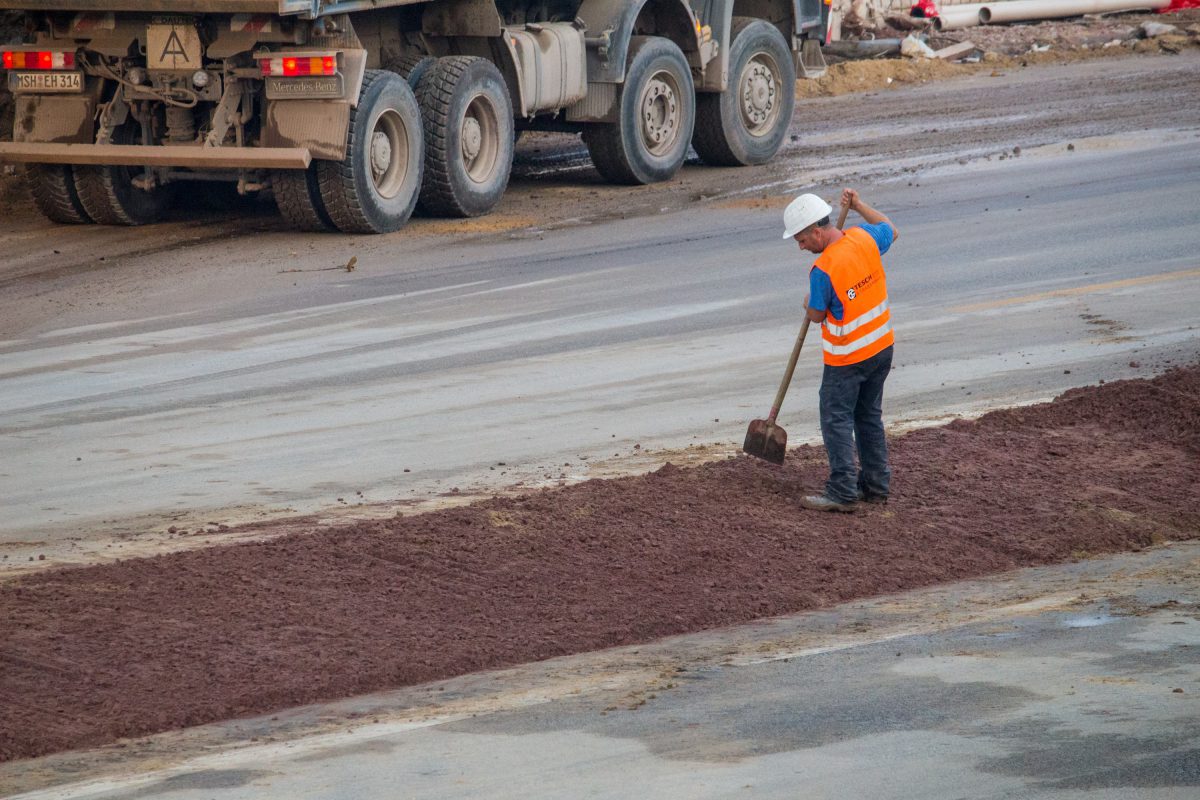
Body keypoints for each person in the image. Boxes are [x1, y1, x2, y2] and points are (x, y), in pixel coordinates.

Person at [782, 188, 898, 512]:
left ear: (816, 232)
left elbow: (817, 314)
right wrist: (860, 206)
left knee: (835, 419)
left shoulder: (823, 270)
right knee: (868, 416)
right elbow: (892, 228)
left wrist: (808, 302)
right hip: (882, 348)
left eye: (801, 240)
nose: (801, 246)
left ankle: (843, 490)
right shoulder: (863, 237)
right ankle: (876, 486)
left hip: (847, 359)